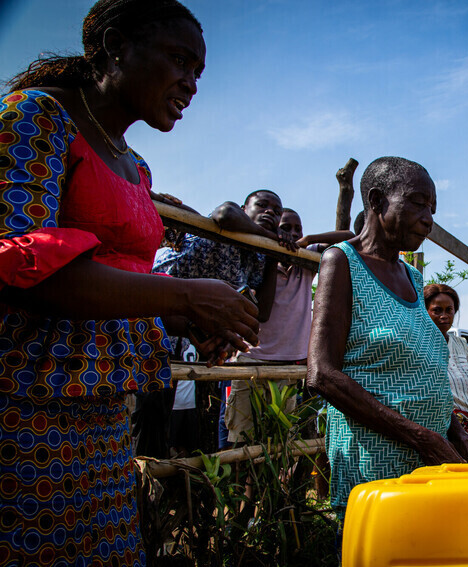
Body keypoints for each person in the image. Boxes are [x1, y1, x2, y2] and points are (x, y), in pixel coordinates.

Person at [0, 1, 260, 565]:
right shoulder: (34, 117)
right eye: (178, 60)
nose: (190, 84)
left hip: (107, 403)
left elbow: (124, 282)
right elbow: (19, 264)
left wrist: (189, 319)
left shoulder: (135, 166)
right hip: (28, 397)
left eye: (199, 72)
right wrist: (185, 294)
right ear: (116, 46)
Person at [307, 156, 468, 520]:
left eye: (432, 208)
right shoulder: (342, 262)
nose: (428, 218)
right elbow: (321, 373)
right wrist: (419, 437)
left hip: (430, 461)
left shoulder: (414, 278)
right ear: (376, 200)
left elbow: (423, 367)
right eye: (418, 202)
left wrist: (455, 435)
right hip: (374, 463)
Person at [152, 190, 283, 455]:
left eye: (277, 211)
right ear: (246, 208)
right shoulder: (226, 223)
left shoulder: (257, 258)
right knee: (152, 418)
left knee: (194, 428)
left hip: (194, 339)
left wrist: (273, 252)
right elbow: (224, 214)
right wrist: (273, 238)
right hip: (152, 316)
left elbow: (262, 313)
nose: (271, 212)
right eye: (262, 205)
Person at [225, 208, 352, 445]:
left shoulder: (307, 259)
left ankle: (278, 484)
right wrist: (274, 247)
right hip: (252, 357)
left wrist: (310, 240)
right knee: (243, 436)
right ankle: (245, 484)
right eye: (286, 228)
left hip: (289, 362)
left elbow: (349, 235)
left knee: (281, 439)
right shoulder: (259, 258)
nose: (293, 234)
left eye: (298, 229)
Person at [424, 283, 468, 461]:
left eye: (449, 310)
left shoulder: (459, 344)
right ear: (424, 311)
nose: (444, 316)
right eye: (437, 310)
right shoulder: (421, 344)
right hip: (444, 429)